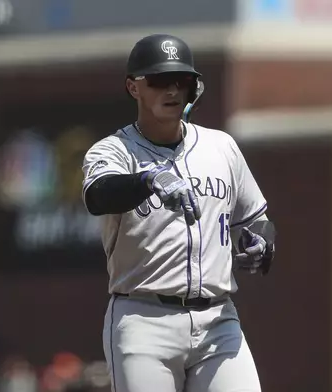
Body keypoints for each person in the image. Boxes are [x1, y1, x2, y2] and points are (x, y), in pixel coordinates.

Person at [81, 34, 277, 392]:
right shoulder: (113, 150)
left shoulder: (222, 147)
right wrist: (147, 179)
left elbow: (256, 219)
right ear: (133, 87)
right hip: (143, 318)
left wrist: (261, 243)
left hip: (218, 319)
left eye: (181, 81)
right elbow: (98, 195)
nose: (171, 90)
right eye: (157, 81)